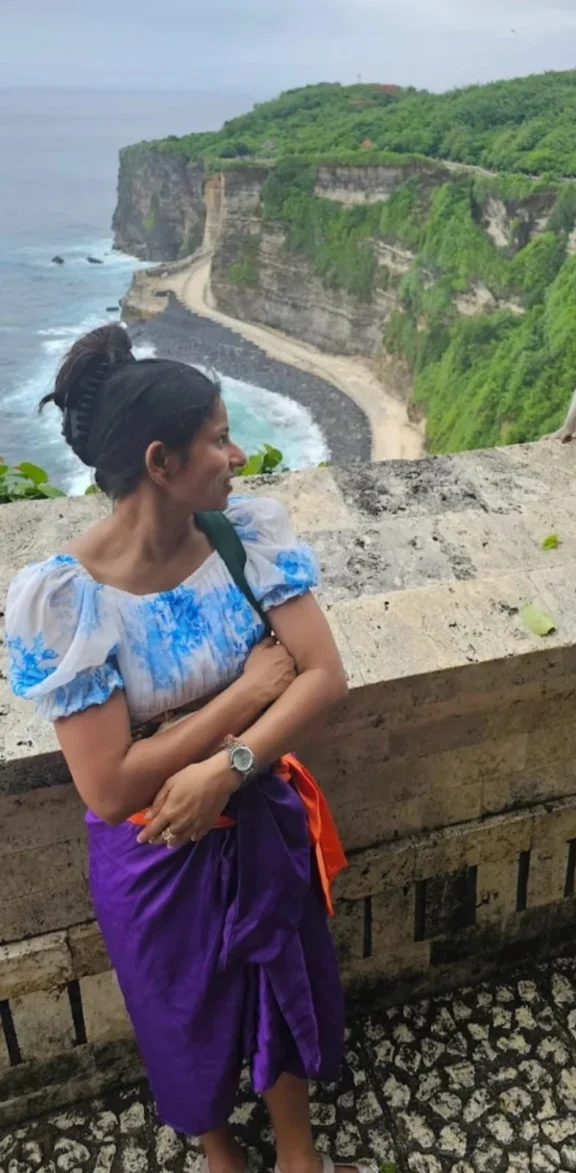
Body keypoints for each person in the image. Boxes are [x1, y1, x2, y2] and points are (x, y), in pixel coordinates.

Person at [5, 325, 374, 1173]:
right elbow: (110, 787)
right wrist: (245, 695)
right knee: (181, 1014)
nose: (237, 457)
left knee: (280, 977)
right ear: (161, 463)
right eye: (218, 438)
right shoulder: (69, 598)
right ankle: (221, 1152)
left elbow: (323, 675)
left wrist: (226, 768)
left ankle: (298, 1154)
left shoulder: (240, 537)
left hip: (251, 815)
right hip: (154, 852)